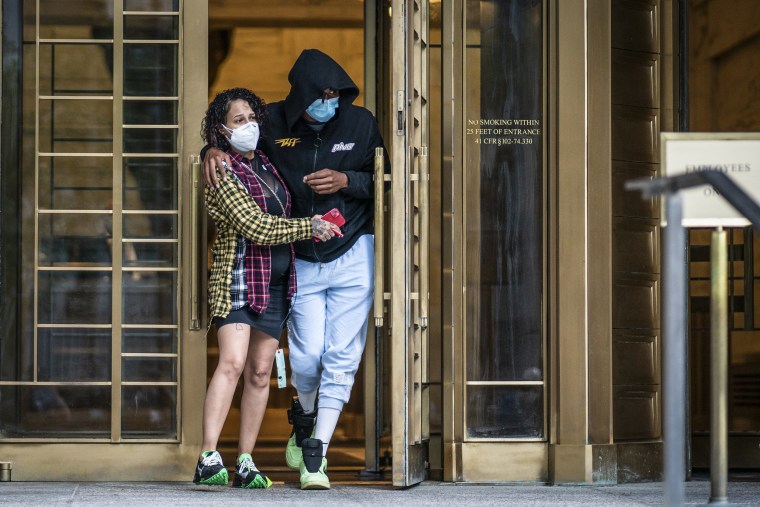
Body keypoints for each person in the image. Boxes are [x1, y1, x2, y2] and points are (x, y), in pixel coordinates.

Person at [203, 49, 389, 490]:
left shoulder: (361, 123)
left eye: (335, 94)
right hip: (297, 259)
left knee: (340, 355)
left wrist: (347, 182)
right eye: (320, 94)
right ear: (301, 95)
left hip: (351, 248)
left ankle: (315, 452)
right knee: (304, 359)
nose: (329, 101)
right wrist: (210, 148)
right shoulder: (270, 125)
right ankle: (301, 418)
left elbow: (385, 178)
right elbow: (232, 142)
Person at [194, 87, 341, 489]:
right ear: (221, 130)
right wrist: (307, 226)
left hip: (275, 285)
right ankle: (208, 456)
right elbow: (255, 226)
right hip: (238, 279)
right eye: (238, 121)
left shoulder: (266, 164)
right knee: (233, 363)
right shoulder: (221, 169)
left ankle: (245, 460)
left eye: (252, 119)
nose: (248, 127)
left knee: (261, 372)